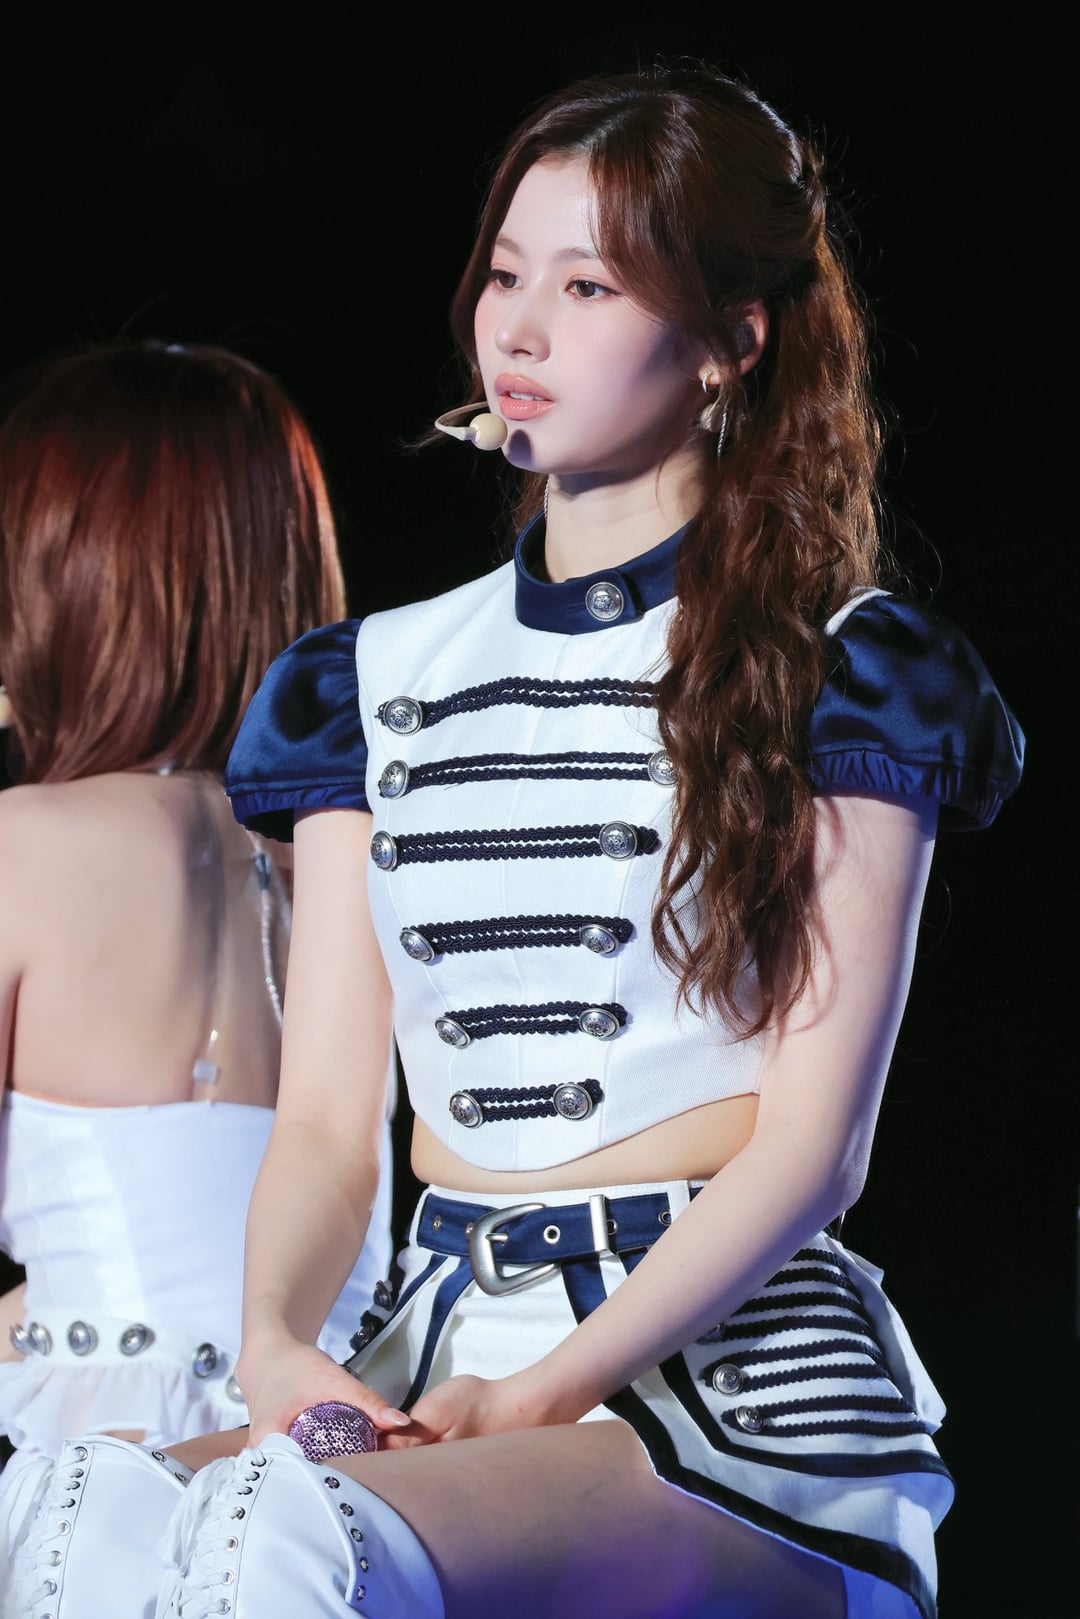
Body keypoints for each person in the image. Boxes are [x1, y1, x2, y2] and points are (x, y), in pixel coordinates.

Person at [12, 64, 1025, 1619]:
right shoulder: (367, 681)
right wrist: (276, 1342)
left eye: (588, 284)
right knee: (69, 1520)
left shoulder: (849, 665)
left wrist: (550, 1383)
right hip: (438, 1343)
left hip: (725, 1394)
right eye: (504, 275)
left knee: (277, 1541)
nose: (522, 329)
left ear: (732, 342)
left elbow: (815, 1147)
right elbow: (330, 1121)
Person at [0, 342, 397, 1582]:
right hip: (341, 1447)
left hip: (95, 1473)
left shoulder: (20, 846)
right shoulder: (367, 856)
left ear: (68, 574)